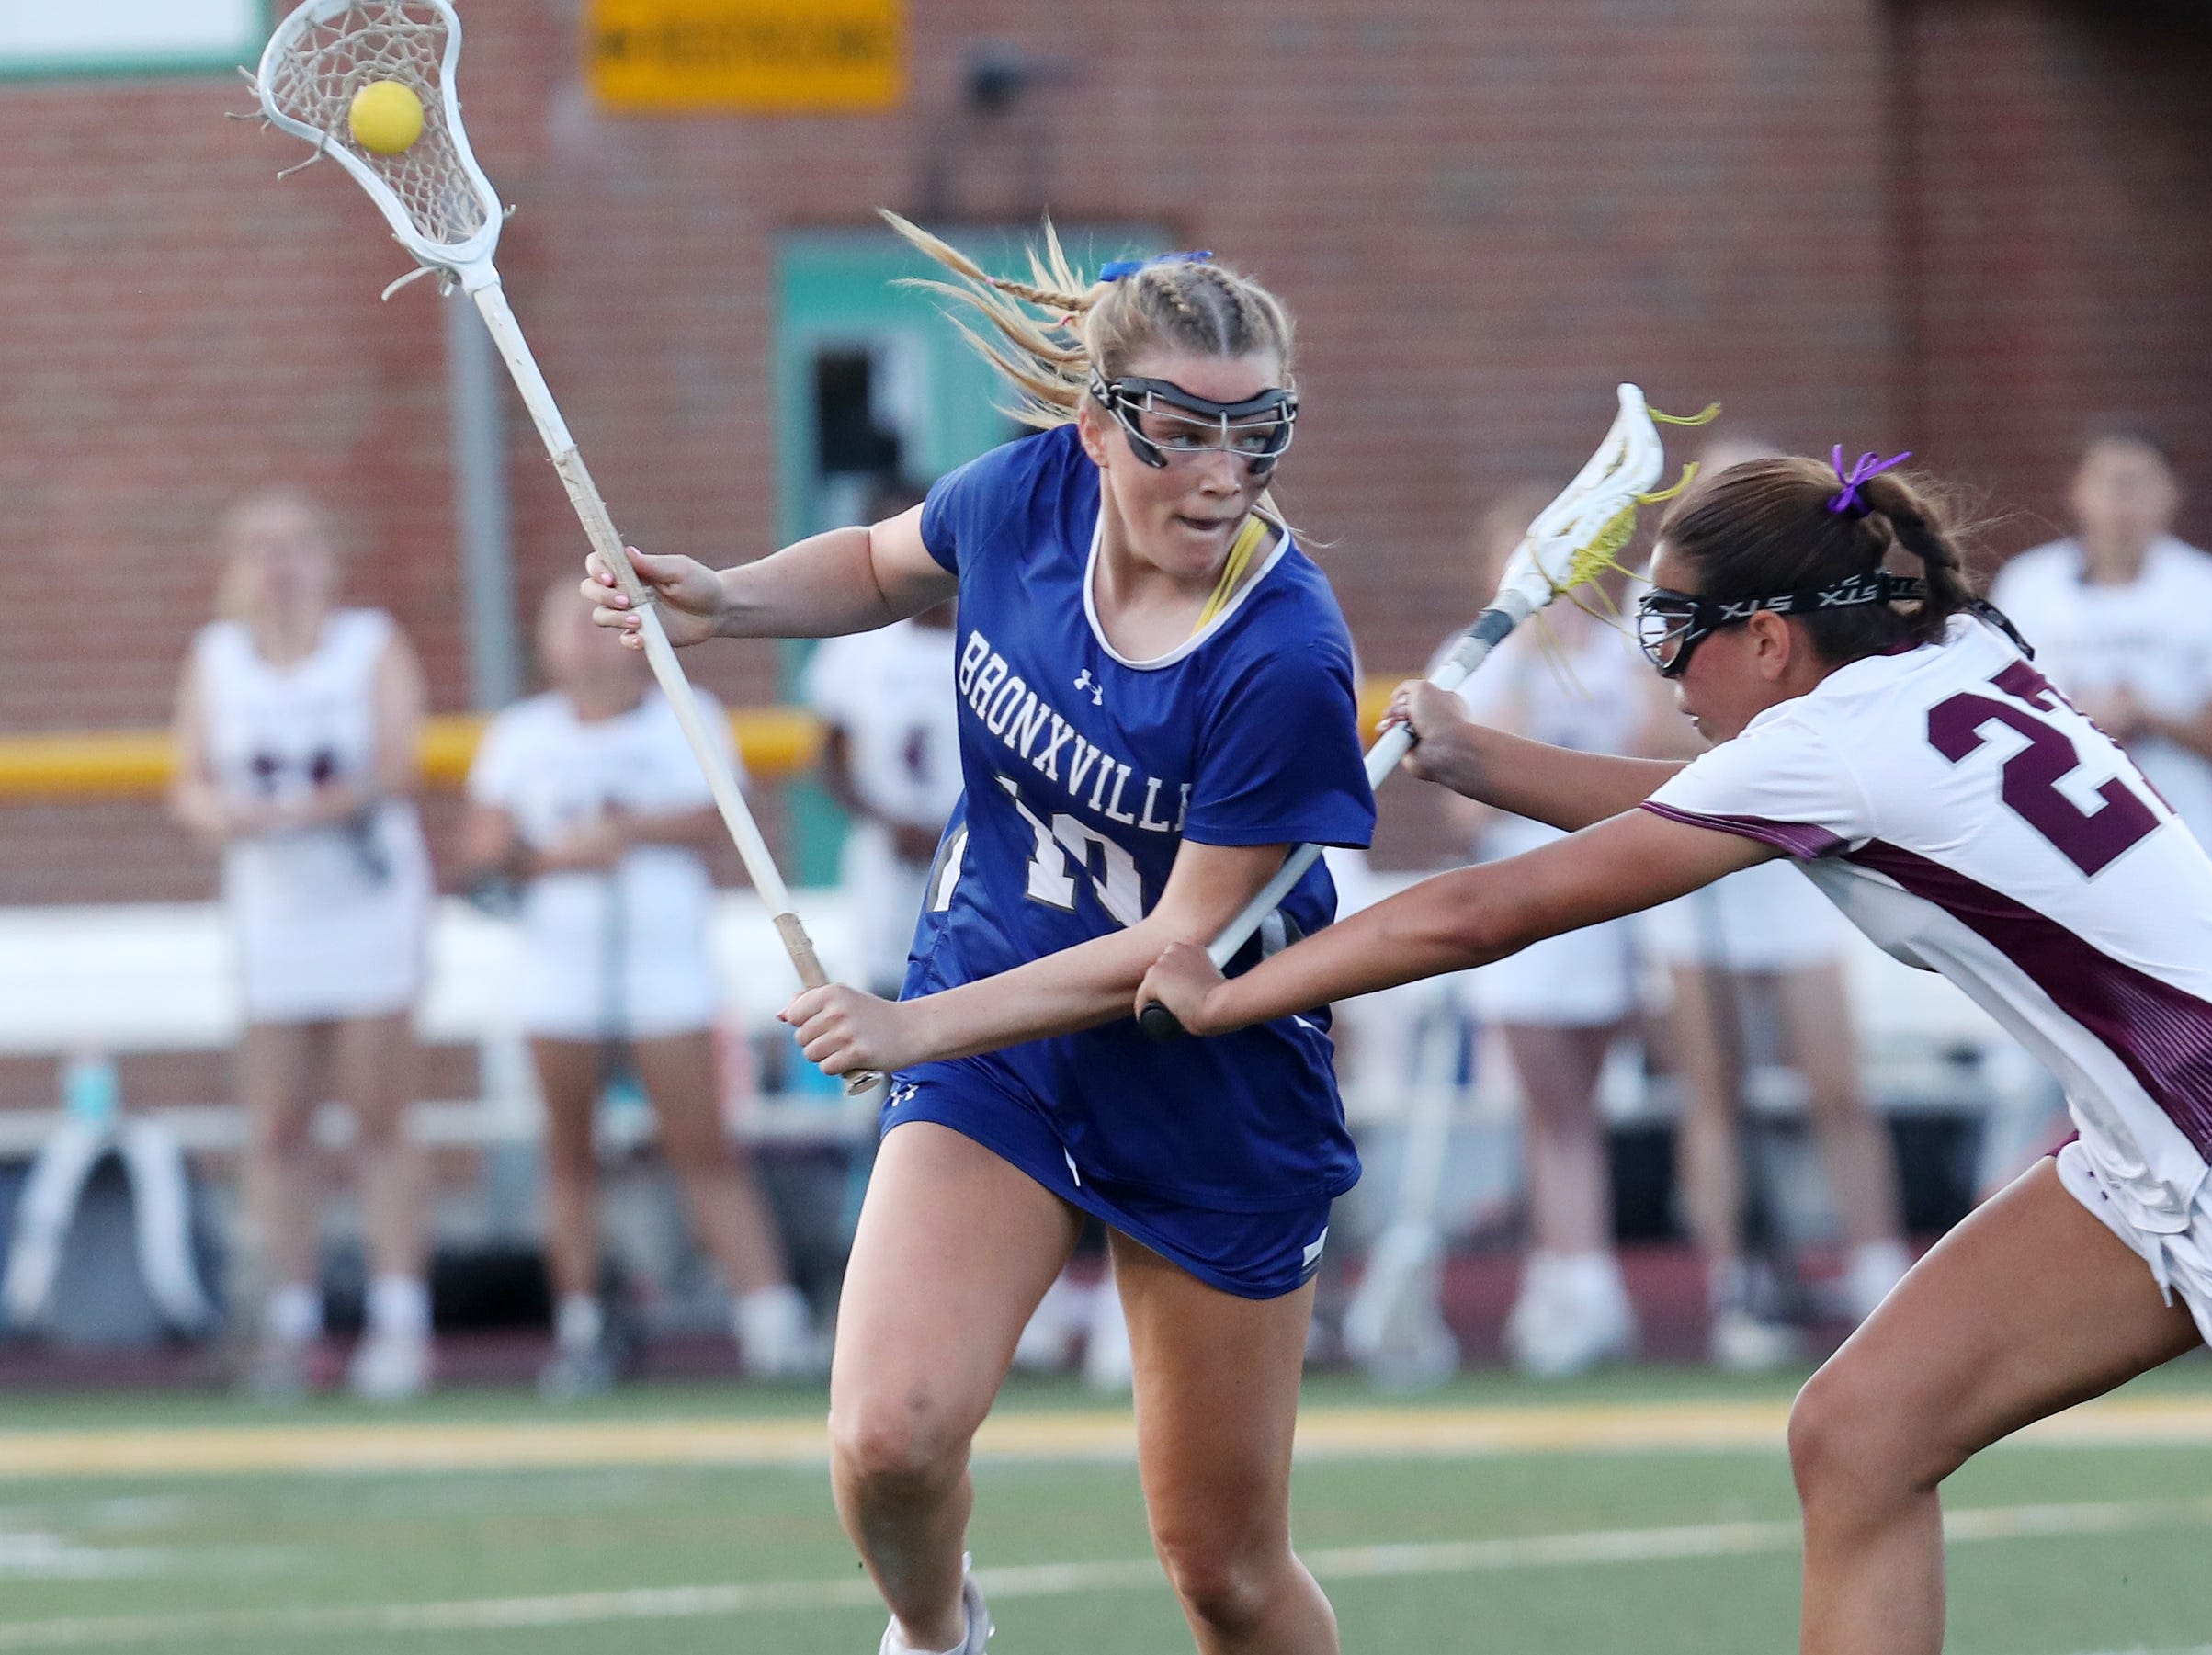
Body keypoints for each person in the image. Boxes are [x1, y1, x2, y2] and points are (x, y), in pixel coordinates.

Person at [1140, 450, 2212, 1655]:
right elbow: (1675, 816)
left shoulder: (1831, 743)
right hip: (2175, 1152)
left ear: (1768, 638)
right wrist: (1479, 755)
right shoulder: (1940, 662)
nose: (1664, 672)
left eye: (1674, 635)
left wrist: (1229, 988)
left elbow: (1486, 913)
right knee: (1858, 1439)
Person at [585, 225, 1372, 1655]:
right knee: (889, 1437)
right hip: (998, 1046)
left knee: (1226, 1575)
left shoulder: (1286, 659)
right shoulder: (1026, 497)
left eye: (1255, 437)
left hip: (1210, 1083)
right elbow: (888, 568)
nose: (1219, 475)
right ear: (1097, 424)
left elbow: (1173, 950)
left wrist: (907, 1026)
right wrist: (726, 601)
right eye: (1180, 433)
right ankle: (941, 1635)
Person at [462, 581, 826, 1396]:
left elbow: (716, 817)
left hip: (665, 971)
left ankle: (769, 1320)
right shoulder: (520, 738)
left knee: (703, 1147)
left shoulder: (683, 715)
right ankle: (583, 1322)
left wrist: (626, 829)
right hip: (559, 971)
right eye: (570, 629)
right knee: (571, 1153)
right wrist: (559, 854)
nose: (588, 647)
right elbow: (485, 861)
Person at [1639, 440, 1910, 1370]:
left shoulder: (1811, 607)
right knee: (1709, 1093)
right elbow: (1656, 729)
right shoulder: (1672, 599)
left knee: (1835, 1080)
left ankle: (1876, 1265)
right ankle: (1736, 1284)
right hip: (1695, 854)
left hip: (1796, 854)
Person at [168, 489, 436, 1401]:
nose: (280, 564)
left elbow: (397, 764)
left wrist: (302, 811)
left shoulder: (369, 645)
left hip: (364, 901)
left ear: (327, 560)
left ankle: (399, 1319)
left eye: (297, 545)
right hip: (273, 909)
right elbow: (189, 780)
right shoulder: (217, 657)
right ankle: (292, 1321)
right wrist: (224, 816)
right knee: (278, 1123)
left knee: (377, 1113)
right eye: (261, 548)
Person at [1451, 485, 1650, 1377]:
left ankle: (1577, 1275)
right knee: (1548, 1107)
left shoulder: (1619, 655)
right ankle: (1571, 1279)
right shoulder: (1479, 662)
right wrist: (1526, 664)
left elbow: (1652, 764)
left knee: (1580, 1105)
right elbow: (1462, 814)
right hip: (1512, 906)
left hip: (1604, 901)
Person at [1990, 425, 2212, 884]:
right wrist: (2078, 717)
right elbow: (1993, 716)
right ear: (2077, 492)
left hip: (2189, 839)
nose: (2123, 499)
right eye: (2109, 481)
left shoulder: (2210, 587)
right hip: (2060, 841)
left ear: (2172, 493)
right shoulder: (2029, 586)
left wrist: (2149, 715)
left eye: (2140, 482)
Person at [806, 481, 961, 998]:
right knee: (886, 986)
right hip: (887, 851)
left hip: (973, 844)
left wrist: (955, 824)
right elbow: (830, 757)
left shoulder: (992, 630)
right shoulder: (860, 643)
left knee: (969, 983)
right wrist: (888, 820)